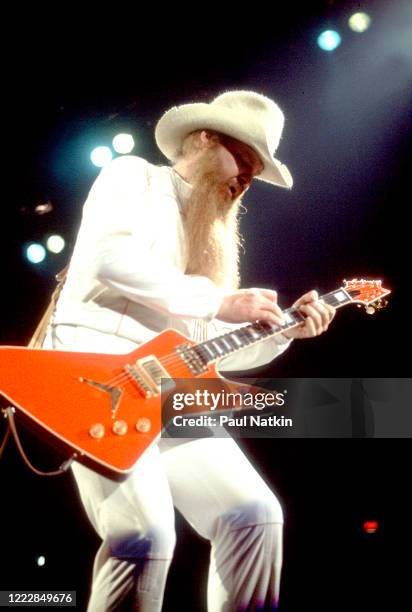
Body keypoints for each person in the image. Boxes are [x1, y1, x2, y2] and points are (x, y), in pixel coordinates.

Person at [44, 90, 335, 611]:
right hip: (95, 380)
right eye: (242, 160)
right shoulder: (134, 176)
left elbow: (207, 350)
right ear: (203, 139)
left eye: (254, 173)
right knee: (145, 535)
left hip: (170, 393)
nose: (245, 180)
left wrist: (285, 330)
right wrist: (221, 301)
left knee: (254, 511)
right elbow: (109, 258)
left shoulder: (212, 244)